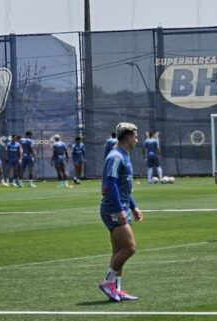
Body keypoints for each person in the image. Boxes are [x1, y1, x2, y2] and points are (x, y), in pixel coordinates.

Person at [98, 122, 143, 302]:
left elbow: (124, 188)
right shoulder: (116, 156)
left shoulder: (124, 155)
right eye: (135, 136)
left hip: (121, 206)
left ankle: (116, 289)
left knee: (119, 251)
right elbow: (111, 184)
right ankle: (107, 282)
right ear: (128, 137)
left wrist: (133, 206)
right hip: (113, 209)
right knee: (130, 248)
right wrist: (119, 209)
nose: (137, 139)